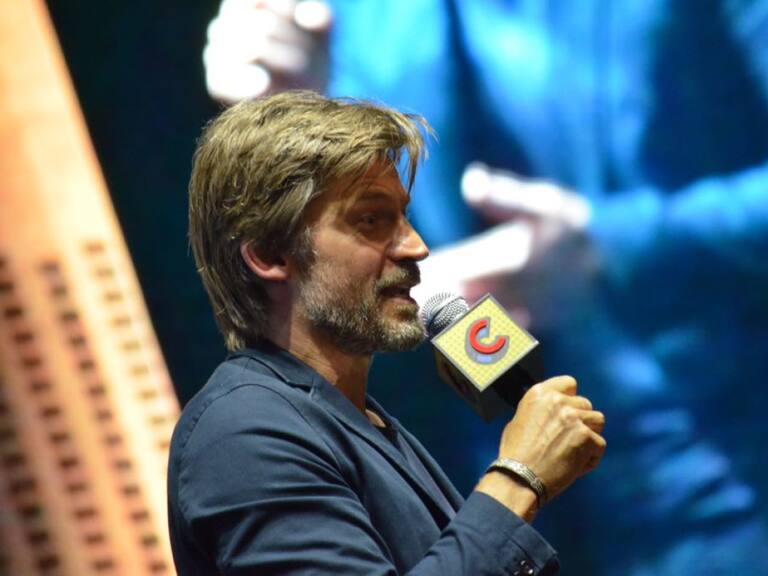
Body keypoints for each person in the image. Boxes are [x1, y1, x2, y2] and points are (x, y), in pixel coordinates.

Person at [202, 2, 768, 575]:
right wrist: (303, 117)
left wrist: (613, 244)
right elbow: (415, 259)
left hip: (721, 475)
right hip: (496, 487)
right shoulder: (355, 15)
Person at [167, 91, 606, 575]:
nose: (417, 247)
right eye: (371, 220)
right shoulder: (244, 433)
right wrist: (520, 477)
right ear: (270, 256)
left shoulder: (355, 417)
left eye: (404, 216)